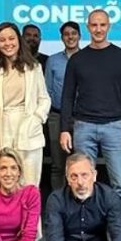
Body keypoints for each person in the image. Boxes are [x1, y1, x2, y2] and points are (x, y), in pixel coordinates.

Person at [60, 9, 121, 204]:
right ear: (88, 27)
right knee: (82, 183)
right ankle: (85, 221)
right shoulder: (77, 59)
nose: (98, 29)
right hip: (83, 126)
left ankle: (120, 223)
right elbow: (67, 96)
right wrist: (64, 129)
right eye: (94, 25)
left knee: (120, 184)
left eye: (102, 25)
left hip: (115, 127)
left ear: (109, 27)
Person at [0, 22, 50, 187]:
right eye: (2, 40)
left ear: (19, 40)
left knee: (28, 182)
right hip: (0, 128)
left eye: (11, 38)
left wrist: (36, 119)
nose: (8, 43)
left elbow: (44, 99)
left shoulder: (34, 67)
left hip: (27, 127)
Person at [44, 21, 81, 190]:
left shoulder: (87, 58)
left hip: (81, 117)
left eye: (73, 33)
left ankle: (77, 198)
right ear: (61, 38)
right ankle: (58, 200)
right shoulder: (53, 60)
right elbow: (48, 89)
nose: (70, 37)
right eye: (66, 34)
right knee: (58, 164)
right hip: (57, 116)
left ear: (79, 36)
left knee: (80, 163)